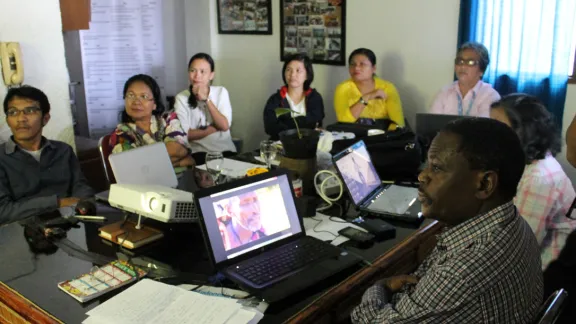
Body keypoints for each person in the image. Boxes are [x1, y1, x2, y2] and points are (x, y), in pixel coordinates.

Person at [351, 118, 543, 323]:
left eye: (437, 168)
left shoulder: (461, 273)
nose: (422, 176)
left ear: (485, 184)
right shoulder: (514, 223)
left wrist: (381, 287)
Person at [490, 94, 576, 269]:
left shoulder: (539, 179)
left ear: (524, 132)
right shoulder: (523, 164)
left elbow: (515, 249)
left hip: (543, 274)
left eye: (499, 127)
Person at [0, 86, 94, 225]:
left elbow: (80, 186)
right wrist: (57, 202)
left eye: (30, 111)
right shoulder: (2, 158)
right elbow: (3, 211)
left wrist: (85, 203)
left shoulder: (63, 151)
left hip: (69, 225)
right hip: (23, 233)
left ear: (45, 118)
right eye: (13, 112)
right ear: (7, 120)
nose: (21, 119)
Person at [109, 74, 194, 174]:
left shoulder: (168, 120)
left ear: (154, 104)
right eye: (131, 95)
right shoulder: (120, 134)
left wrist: (148, 162)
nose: (136, 101)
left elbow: (178, 149)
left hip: (185, 183)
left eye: (144, 96)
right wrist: (181, 162)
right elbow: (134, 170)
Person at [174, 53, 236, 164]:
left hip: (225, 151)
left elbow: (224, 126)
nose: (197, 76)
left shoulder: (221, 92)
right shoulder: (181, 98)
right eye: (193, 70)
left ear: (211, 75)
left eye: (203, 72)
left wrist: (207, 100)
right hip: (198, 154)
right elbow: (186, 135)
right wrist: (212, 129)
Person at [334, 48, 405, 130]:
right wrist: (366, 98)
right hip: (353, 137)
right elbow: (344, 122)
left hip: (383, 137)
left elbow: (397, 122)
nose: (356, 68)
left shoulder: (387, 88)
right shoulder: (343, 88)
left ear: (373, 68)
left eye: (362, 64)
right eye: (352, 64)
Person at [263, 53, 325, 140]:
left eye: (298, 70)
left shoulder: (314, 98)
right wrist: (304, 124)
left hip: (309, 146)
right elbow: (270, 128)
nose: (292, 75)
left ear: (307, 75)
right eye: (288, 70)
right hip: (281, 146)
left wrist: (285, 123)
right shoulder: (275, 100)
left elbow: (315, 121)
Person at [430, 42, 501, 117]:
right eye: (460, 61)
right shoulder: (444, 92)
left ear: (481, 71)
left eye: (470, 62)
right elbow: (432, 124)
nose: (463, 66)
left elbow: (485, 126)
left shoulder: (490, 96)